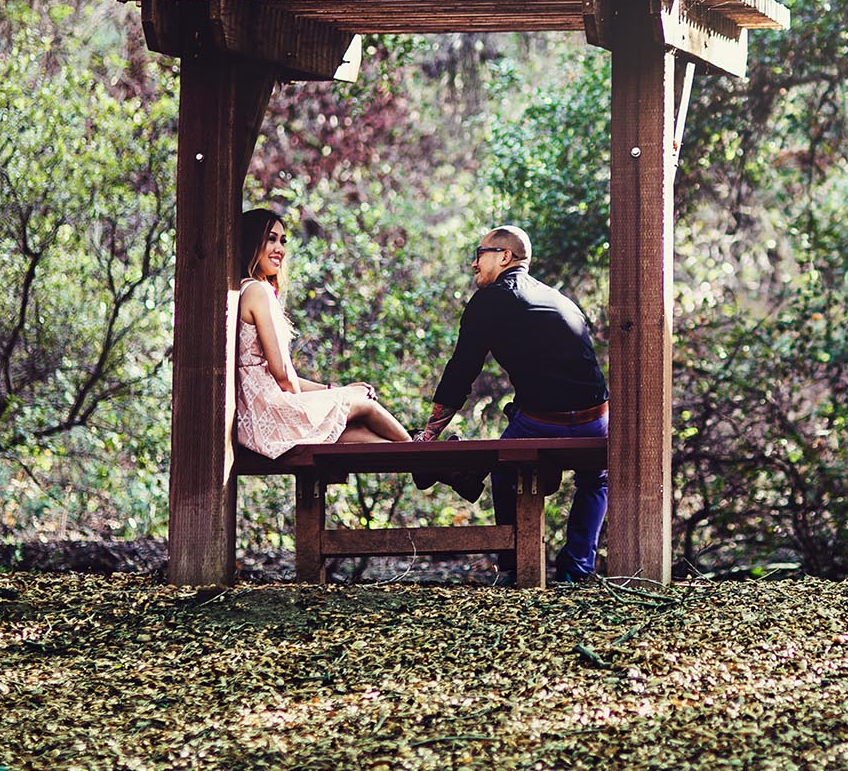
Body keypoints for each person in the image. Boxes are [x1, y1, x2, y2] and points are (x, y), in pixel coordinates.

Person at [418, 225, 609, 584]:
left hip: (544, 424)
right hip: (595, 420)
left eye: (479, 254)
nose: (474, 264)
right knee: (598, 478)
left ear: (504, 256)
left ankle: (514, 565)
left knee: (506, 467)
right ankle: (577, 569)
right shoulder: (559, 298)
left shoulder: (490, 301)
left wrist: (429, 434)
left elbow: (461, 370)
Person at [234, 207, 412, 457]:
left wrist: (331, 392)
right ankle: (423, 452)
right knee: (365, 405)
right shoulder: (257, 292)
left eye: (283, 241)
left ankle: (435, 469)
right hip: (269, 413)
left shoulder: (243, 290)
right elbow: (283, 375)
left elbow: (280, 378)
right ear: (252, 242)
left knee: (356, 433)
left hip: (255, 417)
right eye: (271, 239)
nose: (280, 249)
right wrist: (337, 397)